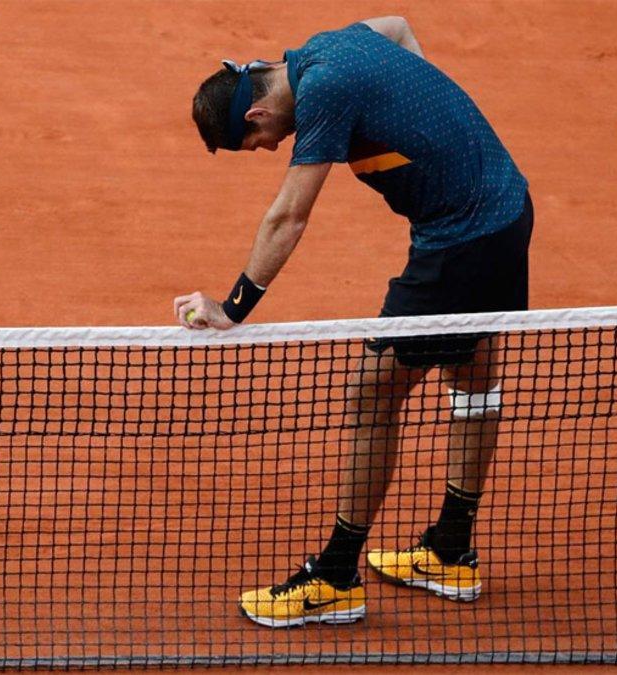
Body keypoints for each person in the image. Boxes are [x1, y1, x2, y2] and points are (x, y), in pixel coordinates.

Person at [174, 16, 533, 628]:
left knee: (373, 394)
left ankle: (336, 576)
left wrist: (230, 309)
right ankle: (450, 549)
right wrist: (425, 108)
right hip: (503, 206)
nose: (269, 150)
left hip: (462, 240)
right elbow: (395, 27)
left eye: (258, 146)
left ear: (256, 118)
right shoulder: (323, 49)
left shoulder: (324, 94)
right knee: (472, 378)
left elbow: (289, 215)